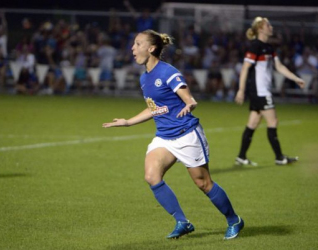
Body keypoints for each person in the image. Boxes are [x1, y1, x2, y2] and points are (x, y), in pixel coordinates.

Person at [103, 29, 244, 240]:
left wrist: (190, 103)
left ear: (151, 48)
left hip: (186, 133)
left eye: (137, 44)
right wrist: (128, 122)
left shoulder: (168, 72)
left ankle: (234, 220)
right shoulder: (145, 78)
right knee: (151, 176)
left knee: (203, 183)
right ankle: (182, 222)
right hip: (164, 137)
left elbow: (189, 98)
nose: (133, 48)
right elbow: (154, 108)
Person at [234, 17, 305, 166]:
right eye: (268, 25)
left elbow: (279, 67)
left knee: (253, 122)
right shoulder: (255, 47)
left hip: (261, 91)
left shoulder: (269, 48)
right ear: (260, 28)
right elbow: (245, 68)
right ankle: (279, 157)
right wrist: (241, 90)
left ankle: (241, 157)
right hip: (260, 92)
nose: (271, 27)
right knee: (273, 121)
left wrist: (295, 78)